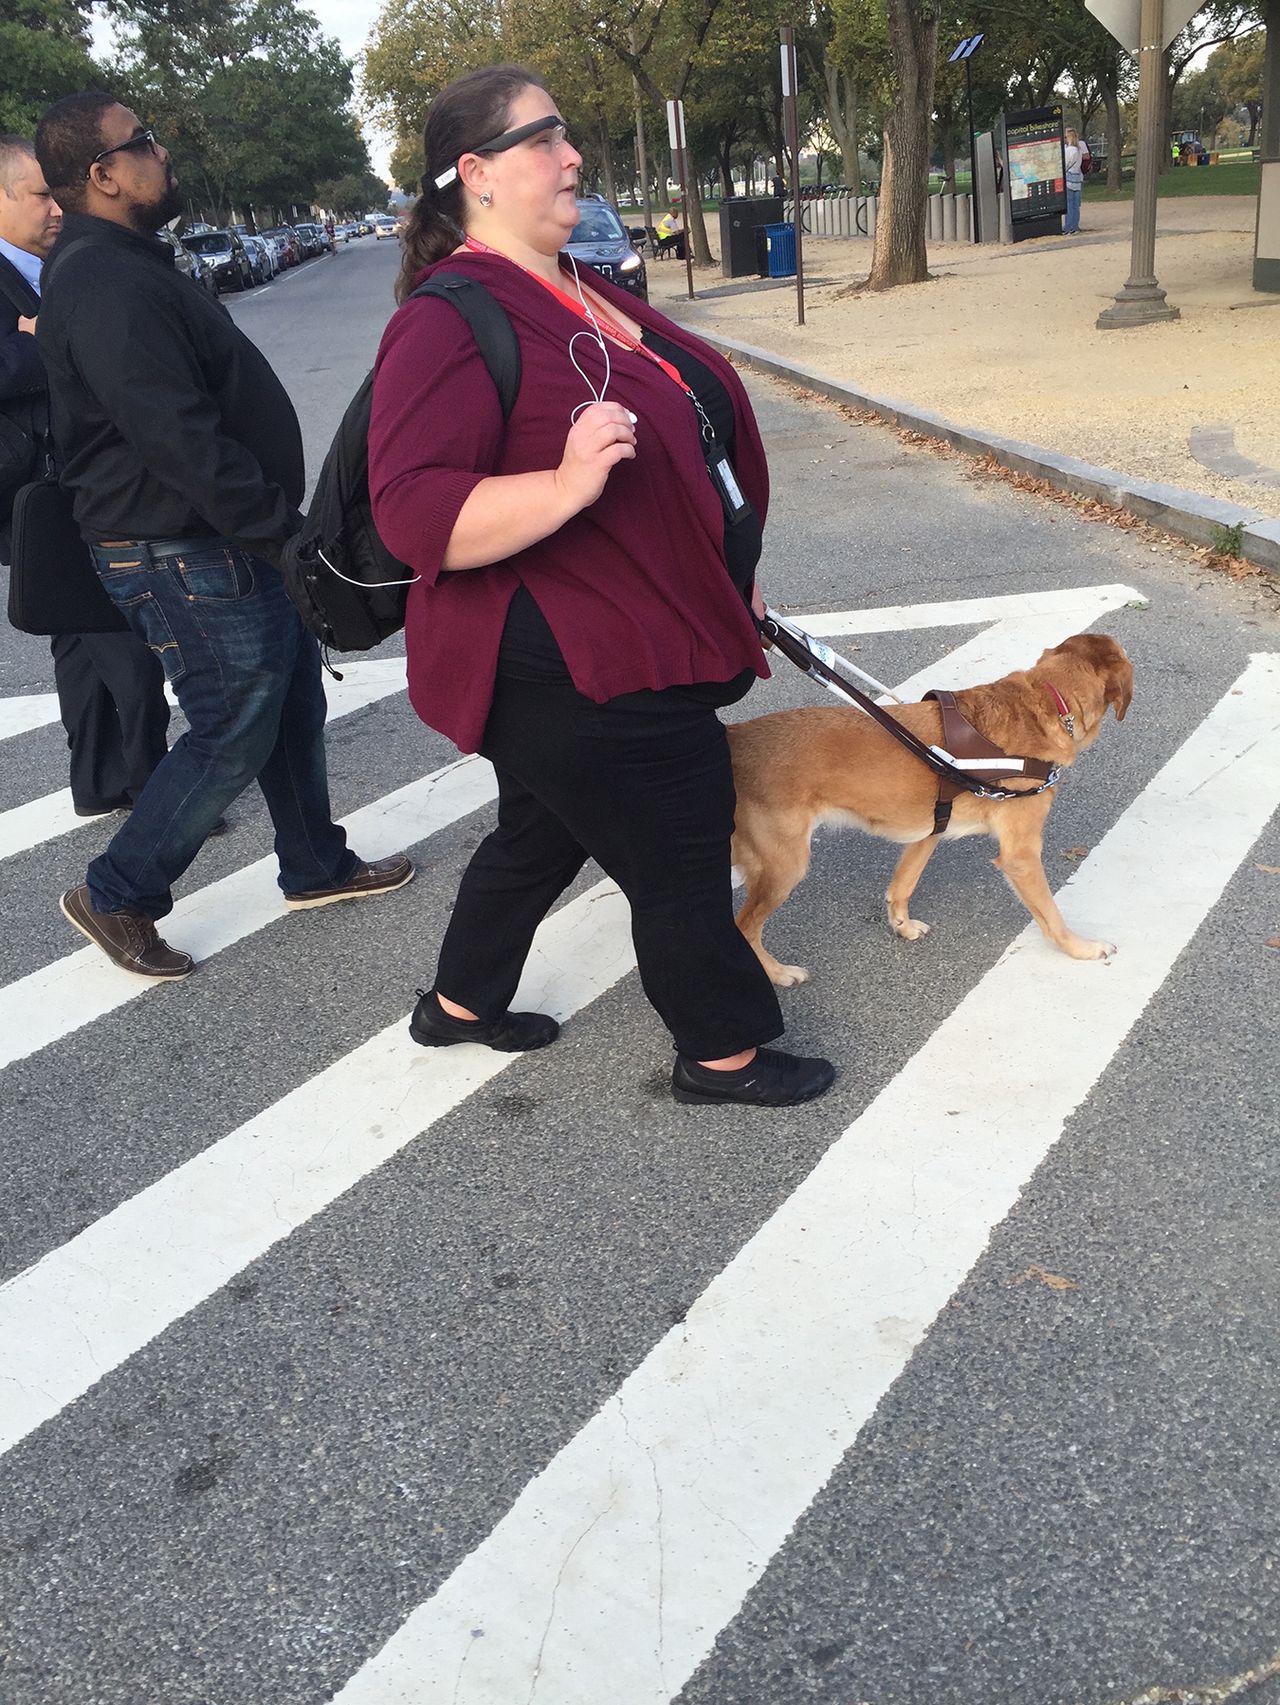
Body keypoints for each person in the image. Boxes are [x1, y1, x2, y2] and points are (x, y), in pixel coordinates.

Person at [369, 64, 835, 1107]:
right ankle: (720, 1054)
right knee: (676, 845)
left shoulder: (579, 288)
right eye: (544, 139)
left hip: (633, 623)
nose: (571, 155)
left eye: (566, 135)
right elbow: (415, 513)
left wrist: (728, 578)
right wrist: (567, 483)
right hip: (568, 655)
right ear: (477, 174)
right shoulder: (447, 321)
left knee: (542, 829)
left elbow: (691, 452)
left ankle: (455, 1005)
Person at [33, 92, 412, 980]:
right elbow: (176, 436)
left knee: (288, 703)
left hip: (212, 541)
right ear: (102, 174)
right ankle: (118, 887)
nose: (162, 155)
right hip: (179, 548)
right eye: (144, 144)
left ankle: (315, 862)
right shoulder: (103, 282)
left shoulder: (124, 263)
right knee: (233, 726)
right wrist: (283, 533)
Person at [0, 135, 171, 818]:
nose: (55, 208)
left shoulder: (47, 270)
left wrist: (40, 333)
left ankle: (100, 780)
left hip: (67, 478)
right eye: (39, 194)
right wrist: (47, 342)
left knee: (76, 635)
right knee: (123, 636)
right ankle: (158, 789)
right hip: (36, 489)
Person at [1063, 128, 1084, 235]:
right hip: (1077, 179)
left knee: (1069, 205)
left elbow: (1065, 165)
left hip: (1069, 179)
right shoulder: (1079, 150)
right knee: (1076, 206)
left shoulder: (1068, 151)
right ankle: (1075, 226)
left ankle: (1068, 227)